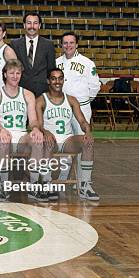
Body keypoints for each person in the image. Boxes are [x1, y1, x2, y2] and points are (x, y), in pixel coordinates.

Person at [36, 68, 99, 200]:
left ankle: (85, 185)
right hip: (50, 140)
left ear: (63, 80)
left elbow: (82, 120)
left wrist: (87, 131)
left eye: (60, 78)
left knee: (87, 142)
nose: (57, 81)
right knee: (47, 142)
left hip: (66, 140)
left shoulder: (71, 100)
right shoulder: (41, 100)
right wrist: (45, 132)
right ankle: (46, 184)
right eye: (53, 78)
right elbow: (39, 124)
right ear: (48, 81)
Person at [0, 59, 44, 202]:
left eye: (18, 73)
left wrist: (36, 129)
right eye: (11, 73)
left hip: (21, 136)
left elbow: (32, 121)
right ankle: (3, 186)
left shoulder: (28, 94)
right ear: (5, 74)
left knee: (37, 140)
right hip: (2, 134)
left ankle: (34, 185)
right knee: (4, 141)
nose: (15, 76)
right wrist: (1, 130)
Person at [56, 32, 101, 133]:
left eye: (71, 43)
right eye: (65, 43)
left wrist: (84, 100)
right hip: (62, 108)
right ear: (61, 45)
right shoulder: (56, 62)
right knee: (64, 140)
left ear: (77, 45)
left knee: (82, 139)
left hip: (81, 107)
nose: (68, 46)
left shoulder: (87, 63)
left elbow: (95, 86)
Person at [9, 12, 55, 97]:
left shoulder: (48, 45)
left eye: (35, 23)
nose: (32, 26)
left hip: (42, 92)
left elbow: (51, 70)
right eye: (29, 23)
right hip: (20, 90)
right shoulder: (14, 44)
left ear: (39, 25)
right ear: (24, 25)